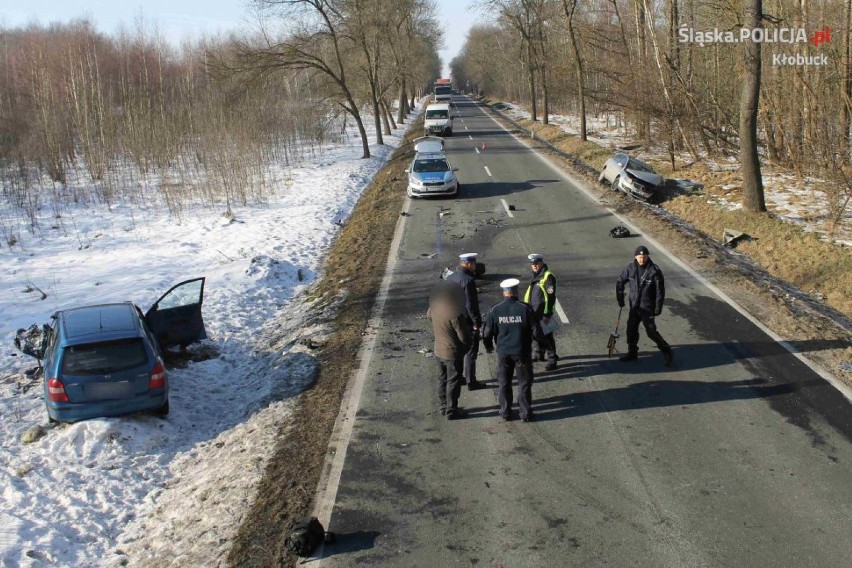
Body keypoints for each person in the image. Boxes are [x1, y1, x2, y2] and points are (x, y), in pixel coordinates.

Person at [482, 278, 543, 422]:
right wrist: (540, 346)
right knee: (524, 383)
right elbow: (537, 332)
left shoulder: (495, 309)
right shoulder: (525, 308)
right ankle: (525, 413)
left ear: (504, 293)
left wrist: (489, 346)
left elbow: (487, 333)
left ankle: (505, 412)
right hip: (522, 352)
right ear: (516, 291)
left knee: (504, 382)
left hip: (503, 352)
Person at [615, 245, 673, 366]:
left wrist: (657, 308)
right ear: (636, 257)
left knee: (651, 332)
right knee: (631, 330)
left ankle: (667, 351)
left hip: (648, 308)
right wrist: (620, 297)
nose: (642, 260)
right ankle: (632, 353)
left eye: (644, 257)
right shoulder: (630, 268)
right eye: (640, 257)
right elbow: (620, 281)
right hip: (635, 307)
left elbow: (659, 292)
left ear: (647, 257)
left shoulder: (654, 271)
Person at [426, 281, 472, 420]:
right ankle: (452, 410)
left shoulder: (434, 308)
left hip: (438, 349)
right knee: (453, 381)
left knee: (442, 379)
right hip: (452, 352)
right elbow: (463, 337)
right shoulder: (455, 313)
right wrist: (469, 344)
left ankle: (443, 406)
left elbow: (429, 316)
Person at [446, 252, 484, 390]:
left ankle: (458, 377)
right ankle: (471, 380)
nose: (475, 266)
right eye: (473, 263)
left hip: (451, 319)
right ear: (468, 264)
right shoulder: (467, 281)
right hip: (465, 321)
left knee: (457, 351)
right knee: (470, 351)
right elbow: (471, 305)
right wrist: (476, 322)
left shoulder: (450, 278)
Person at [523, 253, 558, 371]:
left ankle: (552, 360)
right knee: (536, 334)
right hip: (534, 312)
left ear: (541, 262)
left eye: (536, 263)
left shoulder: (548, 277)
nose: (534, 266)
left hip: (543, 313)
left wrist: (548, 314)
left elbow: (551, 296)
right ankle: (540, 354)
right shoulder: (537, 275)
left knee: (547, 336)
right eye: (532, 264)